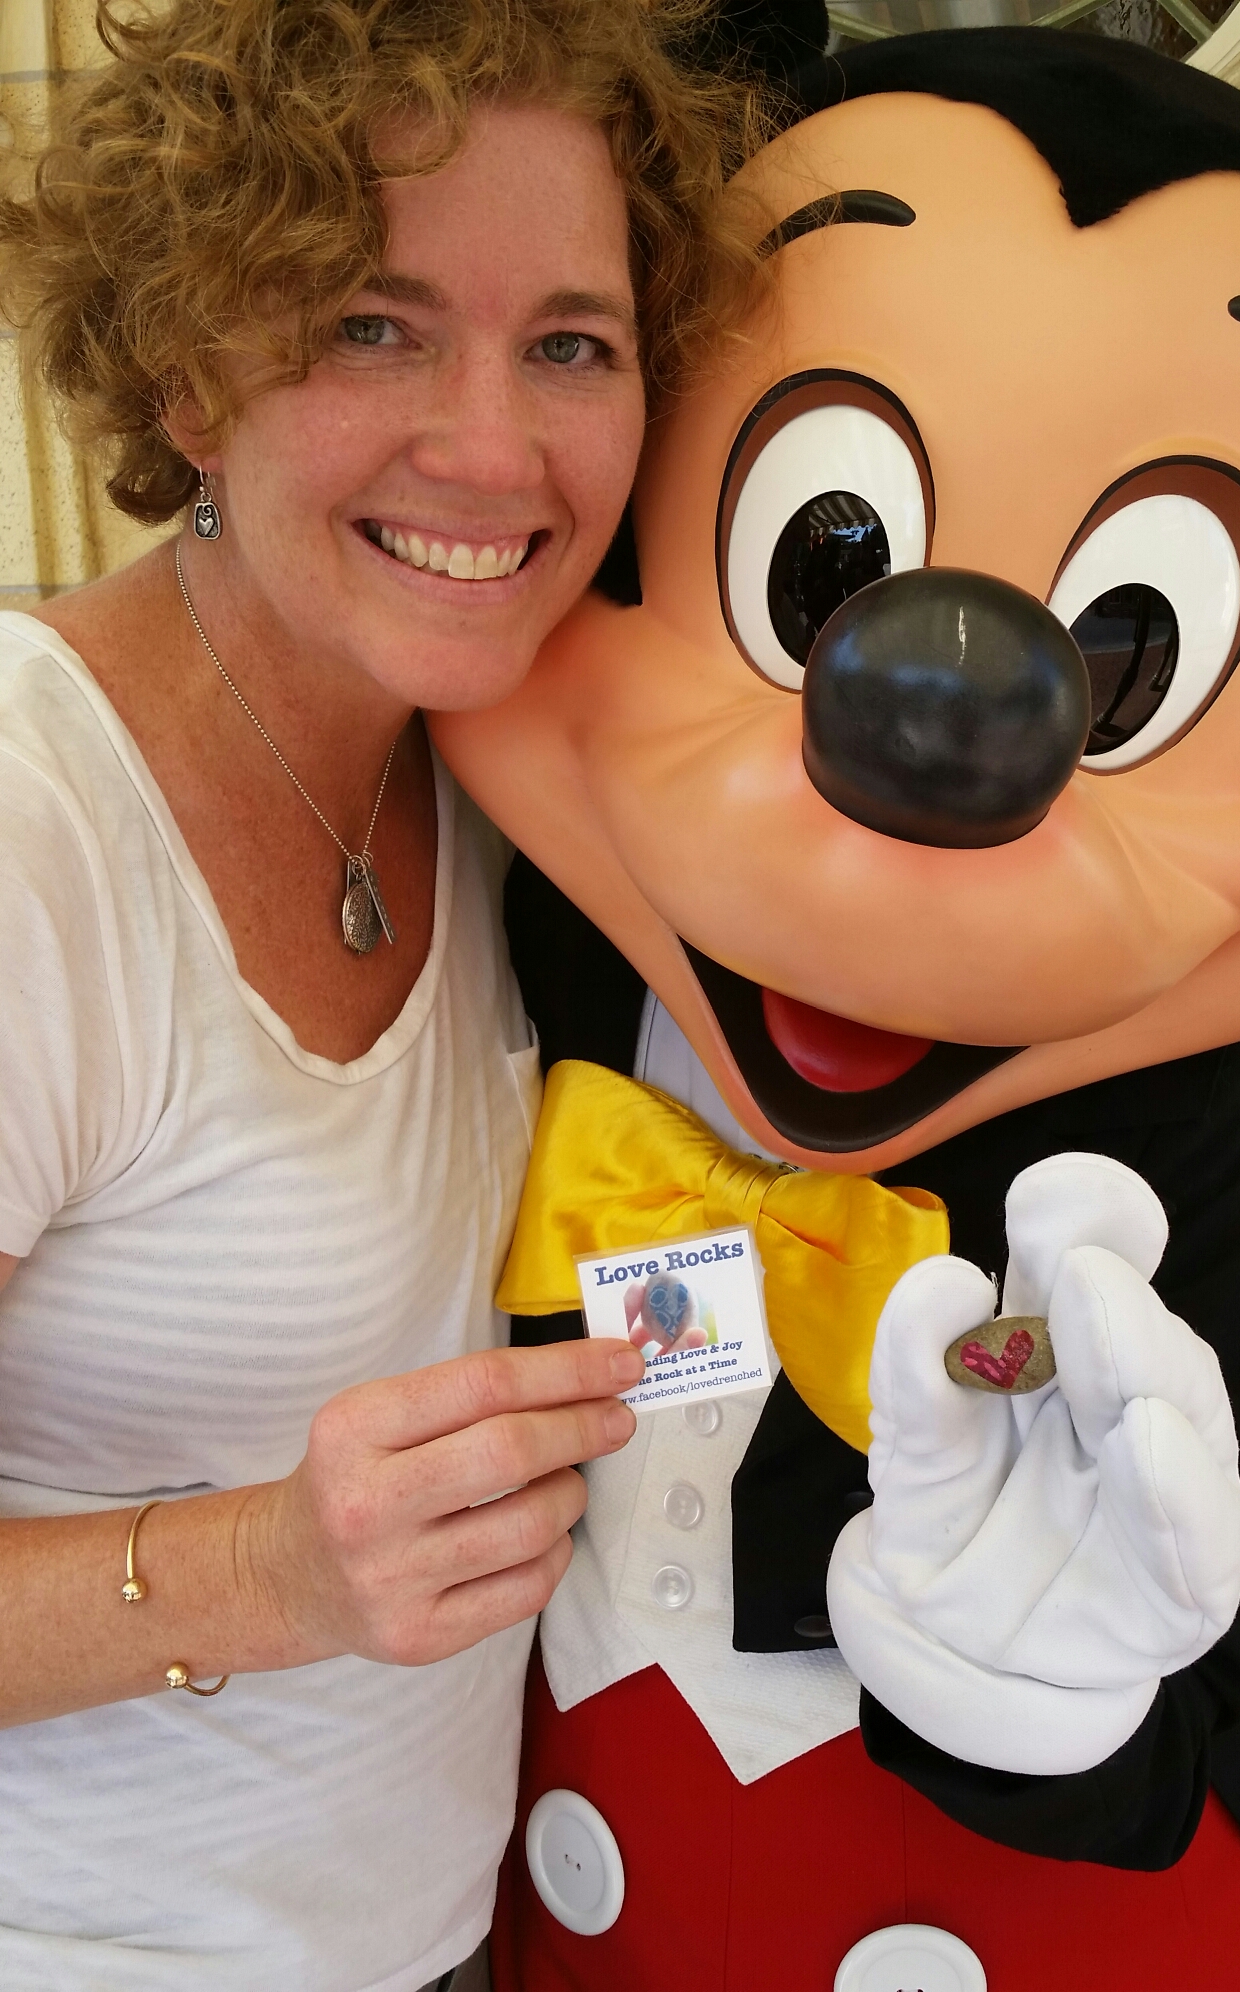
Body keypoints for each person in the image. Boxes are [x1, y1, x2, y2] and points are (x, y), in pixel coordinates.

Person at [0, 3, 764, 1987]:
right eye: (371, 326)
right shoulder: (32, 822)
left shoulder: (498, 773)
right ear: (189, 368)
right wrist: (263, 1569)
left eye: (571, 345)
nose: (492, 447)